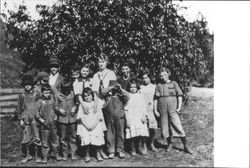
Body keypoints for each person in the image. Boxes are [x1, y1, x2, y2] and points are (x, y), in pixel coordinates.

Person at [154, 67, 193, 154]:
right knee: (165, 127)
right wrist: (156, 110)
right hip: (162, 109)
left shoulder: (174, 83)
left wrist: (179, 107)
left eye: (164, 75)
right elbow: (155, 99)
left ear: (168, 75)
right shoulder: (158, 86)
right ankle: (169, 144)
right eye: (161, 75)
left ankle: (185, 146)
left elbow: (179, 95)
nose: (162, 77)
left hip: (172, 109)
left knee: (178, 126)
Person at [92, 53, 117, 159]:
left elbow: (114, 86)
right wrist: (95, 101)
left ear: (107, 62)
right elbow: (93, 90)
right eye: (99, 61)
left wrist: (108, 90)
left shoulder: (111, 73)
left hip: (109, 100)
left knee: (110, 124)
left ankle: (111, 149)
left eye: (103, 61)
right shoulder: (95, 75)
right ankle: (100, 150)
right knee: (99, 126)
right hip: (98, 101)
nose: (101, 63)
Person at [16, 74, 44, 163]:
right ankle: (27, 155)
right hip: (26, 119)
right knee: (26, 138)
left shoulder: (37, 94)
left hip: (35, 120)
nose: (27, 86)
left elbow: (40, 107)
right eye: (25, 84)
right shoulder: (22, 95)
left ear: (32, 85)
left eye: (29, 84)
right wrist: (20, 119)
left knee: (37, 137)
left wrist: (40, 118)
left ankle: (38, 156)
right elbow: (19, 108)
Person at [102, 81, 130, 159]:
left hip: (120, 117)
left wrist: (120, 89)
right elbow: (102, 92)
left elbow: (128, 96)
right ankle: (111, 151)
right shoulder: (107, 96)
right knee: (110, 134)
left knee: (120, 134)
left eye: (116, 87)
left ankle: (120, 150)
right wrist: (111, 88)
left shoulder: (121, 95)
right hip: (109, 118)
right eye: (113, 87)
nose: (115, 89)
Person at [76, 87, 105, 162]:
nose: (87, 97)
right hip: (85, 124)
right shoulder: (82, 105)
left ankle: (97, 153)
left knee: (97, 137)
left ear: (92, 96)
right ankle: (87, 154)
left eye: (89, 95)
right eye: (85, 96)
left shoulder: (96, 104)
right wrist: (87, 126)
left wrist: (94, 125)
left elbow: (99, 116)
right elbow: (81, 117)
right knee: (86, 138)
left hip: (95, 124)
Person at [37, 84, 62, 163]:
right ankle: (45, 156)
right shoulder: (39, 102)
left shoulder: (52, 100)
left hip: (53, 123)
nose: (48, 94)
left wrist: (55, 117)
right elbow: (36, 114)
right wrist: (42, 121)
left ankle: (56, 154)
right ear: (42, 93)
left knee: (55, 140)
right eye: (46, 93)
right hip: (44, 124)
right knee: (45, 141)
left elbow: (55, 109)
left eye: (49, 93)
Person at [55, 78, 78, 161]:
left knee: (73, 137)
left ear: (70, 88)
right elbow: (55, 106)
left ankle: (73, 153)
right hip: (62, 119)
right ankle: (64, 153)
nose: (66, 91)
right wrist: (59, 110)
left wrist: (75, 108)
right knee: (63, 138)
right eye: (64, 89)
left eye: (67, 89)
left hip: (72, 119)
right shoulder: (58, 95)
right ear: (61, 88)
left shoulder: (73, 94)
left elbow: (77, 103)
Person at [125, 79, 149, 156]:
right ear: (128, 88)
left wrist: (144, 116)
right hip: (131, 116)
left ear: (137, 87)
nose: (133, 89)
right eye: (131, 87)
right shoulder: (127, 96)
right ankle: (132, 149)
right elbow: (126, 109)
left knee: (141, 133)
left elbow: (144, 107)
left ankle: (141, 147)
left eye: (135, 87)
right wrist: (127, 120)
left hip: (139, 116)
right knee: (132, 134)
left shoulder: (140, 96)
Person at [140, 71, 159, 152]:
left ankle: (151, 144)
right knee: (144, 128)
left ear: (150, 78)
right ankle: (144, 145)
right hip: (143, 110)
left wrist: (155, 110)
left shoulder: (154, 87)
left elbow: (155, 99)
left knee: (152, 128)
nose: (145, 80)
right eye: (143, 78)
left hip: (151, 109)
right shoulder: (140, 87)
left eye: (146, 78)